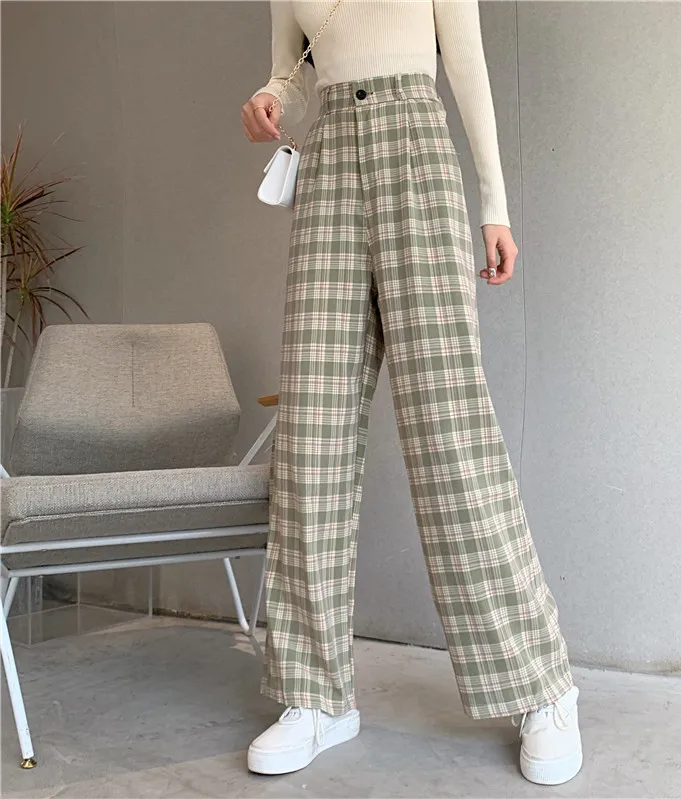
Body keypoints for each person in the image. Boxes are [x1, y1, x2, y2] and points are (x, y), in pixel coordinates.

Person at [241, 0, 583, 786]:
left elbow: (467, 62)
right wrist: (268, 100)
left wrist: (494, 205)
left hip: (416, 151)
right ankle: (315, 693)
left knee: (448, 430)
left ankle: (541, 685)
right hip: (330, 162)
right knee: (311, 434)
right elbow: (292, 73)